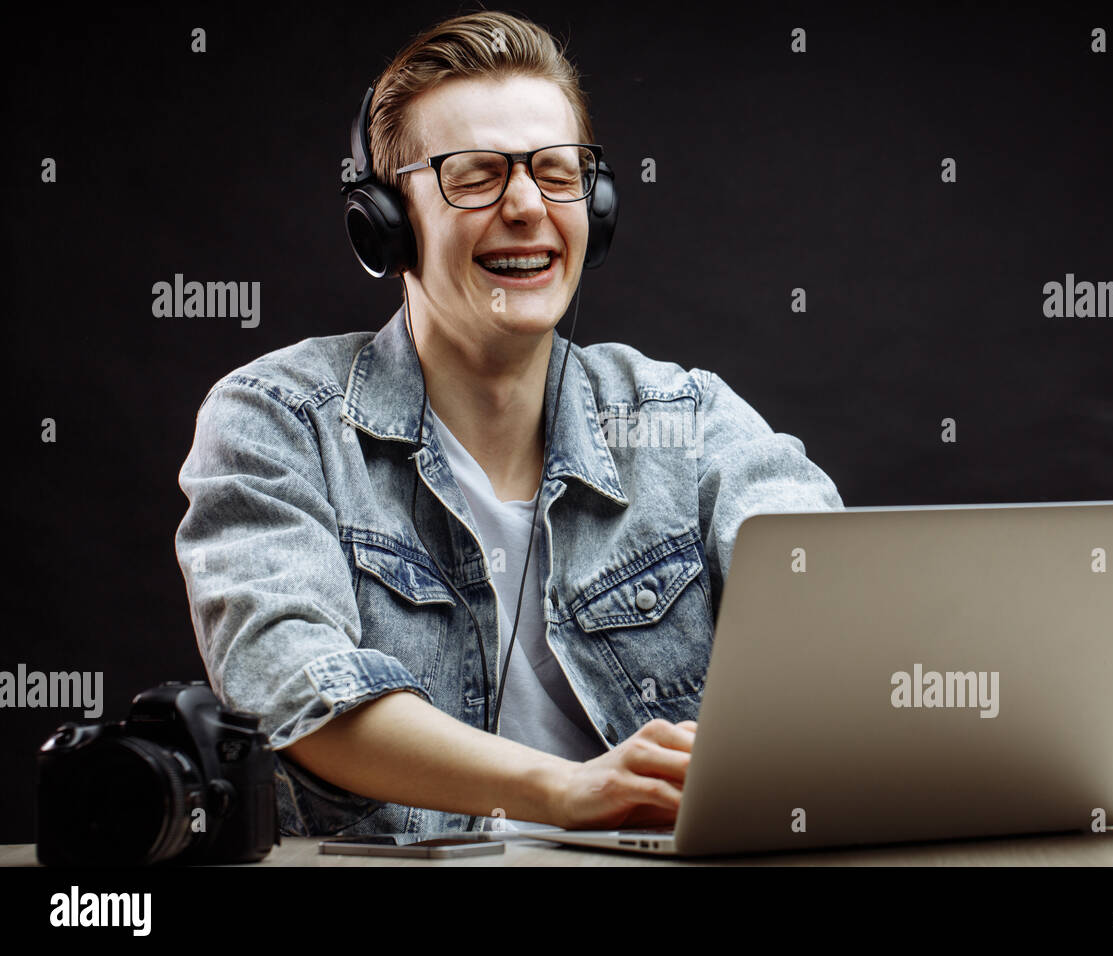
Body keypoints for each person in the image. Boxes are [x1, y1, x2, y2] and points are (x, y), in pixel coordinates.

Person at [174, 10, 843, 837]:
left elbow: (837, 616)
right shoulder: (277, 421)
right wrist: (566, 792)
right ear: (383, 219)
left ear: (594, 207)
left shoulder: (690, 419)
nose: (527, 205)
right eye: (477, 173)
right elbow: (298, 687)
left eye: (557, 173)